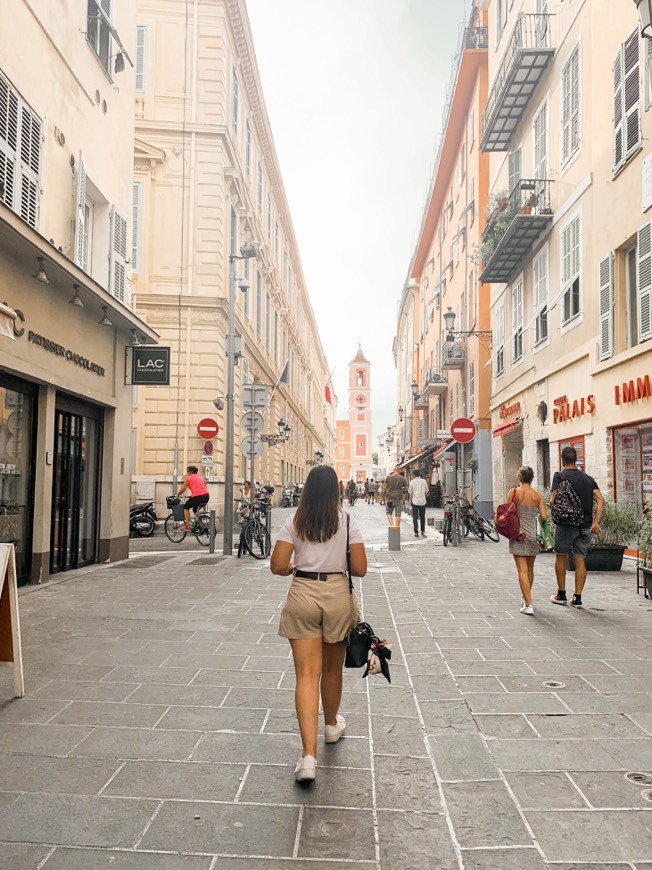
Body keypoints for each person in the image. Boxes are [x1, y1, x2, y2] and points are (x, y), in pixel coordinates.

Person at [271, 464, 367, 784]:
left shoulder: (294, 521)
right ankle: (330, 726)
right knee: (333, 669)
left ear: (308, 490)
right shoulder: (348, 521)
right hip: (337, 594)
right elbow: (361, 568)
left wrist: (293, 568)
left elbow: (277, 565)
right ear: (336, 491)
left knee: (306, 676)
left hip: (302, 593)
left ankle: (308, 757)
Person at [550, 446, 604, 608]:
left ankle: (561, 594)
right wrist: (595, 522)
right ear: (576, 459)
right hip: (585, 527)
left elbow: (553, 500)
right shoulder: (588, 479)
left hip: (565, 525)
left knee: (560, 556)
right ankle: (577, 597)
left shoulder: (559, 476)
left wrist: (552, 505)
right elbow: (600, 500)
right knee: (580, 560)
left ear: (562, 460)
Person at [506, 466, 548, 615]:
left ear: (520, 477)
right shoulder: (537, 496)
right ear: (532, 478)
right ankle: (526, 599)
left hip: (518, 533)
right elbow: (544, 516)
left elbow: (508, 511)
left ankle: (528, 603)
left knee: (521, 570)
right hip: (533, 534)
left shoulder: (514, 492)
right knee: (530, 569)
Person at [175, 465, 209, 530]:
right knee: (195, 510)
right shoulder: (200, 477)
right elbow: (199, 488)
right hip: (206, 496)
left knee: (186, 508)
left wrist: (177, 495)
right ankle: (200, 525)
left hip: (198, 497)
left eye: (187, 471)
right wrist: (192, 496)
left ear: (191, 471)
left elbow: (183, 489)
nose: (187, 473)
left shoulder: (189, 478)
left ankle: (188, 526)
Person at [408, 469, 429, 537]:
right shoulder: (424, 481)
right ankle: (422, 531)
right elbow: (427, 490)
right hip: (423, 501)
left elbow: (410, 492)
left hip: (415, 502)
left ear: (413, 475)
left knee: (415, 517)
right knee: (422, 517)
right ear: (420, 474)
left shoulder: (411, 482)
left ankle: (416, 532)